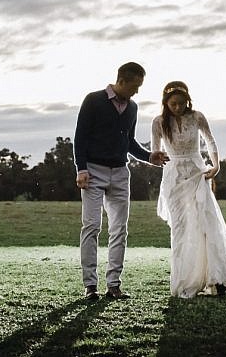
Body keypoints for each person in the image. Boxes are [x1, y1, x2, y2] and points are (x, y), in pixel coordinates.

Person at [152, 80, 226, 299]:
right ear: (166, 102)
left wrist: (216, 165)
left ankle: (216, 278)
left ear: (187, 101)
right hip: (174, 175)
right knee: (181, 227)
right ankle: (185, 280)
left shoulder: (197, 117)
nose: (178, 107)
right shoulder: (159, 122)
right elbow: (155, 151)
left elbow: (210, 140)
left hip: (197, 171)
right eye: (173, 103)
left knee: (205, 223)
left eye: (182, 103)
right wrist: (158, 156)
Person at [73, 61, 168, 302]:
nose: (137, 91)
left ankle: (113, 285)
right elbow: (80, 137)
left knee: (119, 230)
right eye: (135, 86)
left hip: (120, 173)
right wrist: (81, 169)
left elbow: (129, 143)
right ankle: (90, 286)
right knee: (92, 226)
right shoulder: (93, 100)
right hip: (93, 171)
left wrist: (149, 157)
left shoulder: (133, 108)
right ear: (122, 81)